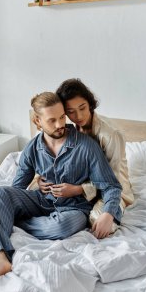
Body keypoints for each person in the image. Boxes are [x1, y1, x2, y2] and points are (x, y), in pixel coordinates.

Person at [0, 92, 122, 282]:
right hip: (42, 201)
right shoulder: (33, 147)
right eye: (52, 120)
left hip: (73, 208)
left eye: (61, 117)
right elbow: (17, 187)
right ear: (37, 121)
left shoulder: (86, 146)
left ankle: (4, 219)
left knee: (61, 226)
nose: (60, 125)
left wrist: (108, 213)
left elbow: (111, 185)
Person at [37, 78, 134, 233]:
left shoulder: (111, 135)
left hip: (110, 188)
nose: (79, 116)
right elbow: (50, 156)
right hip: (75, 186)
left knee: (97, 221)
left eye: (82, 108)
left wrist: (78, 190)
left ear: (89, 103)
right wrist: (39, 179)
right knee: (36, 197)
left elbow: (112, 182)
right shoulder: (67, 129)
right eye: (70, 112)